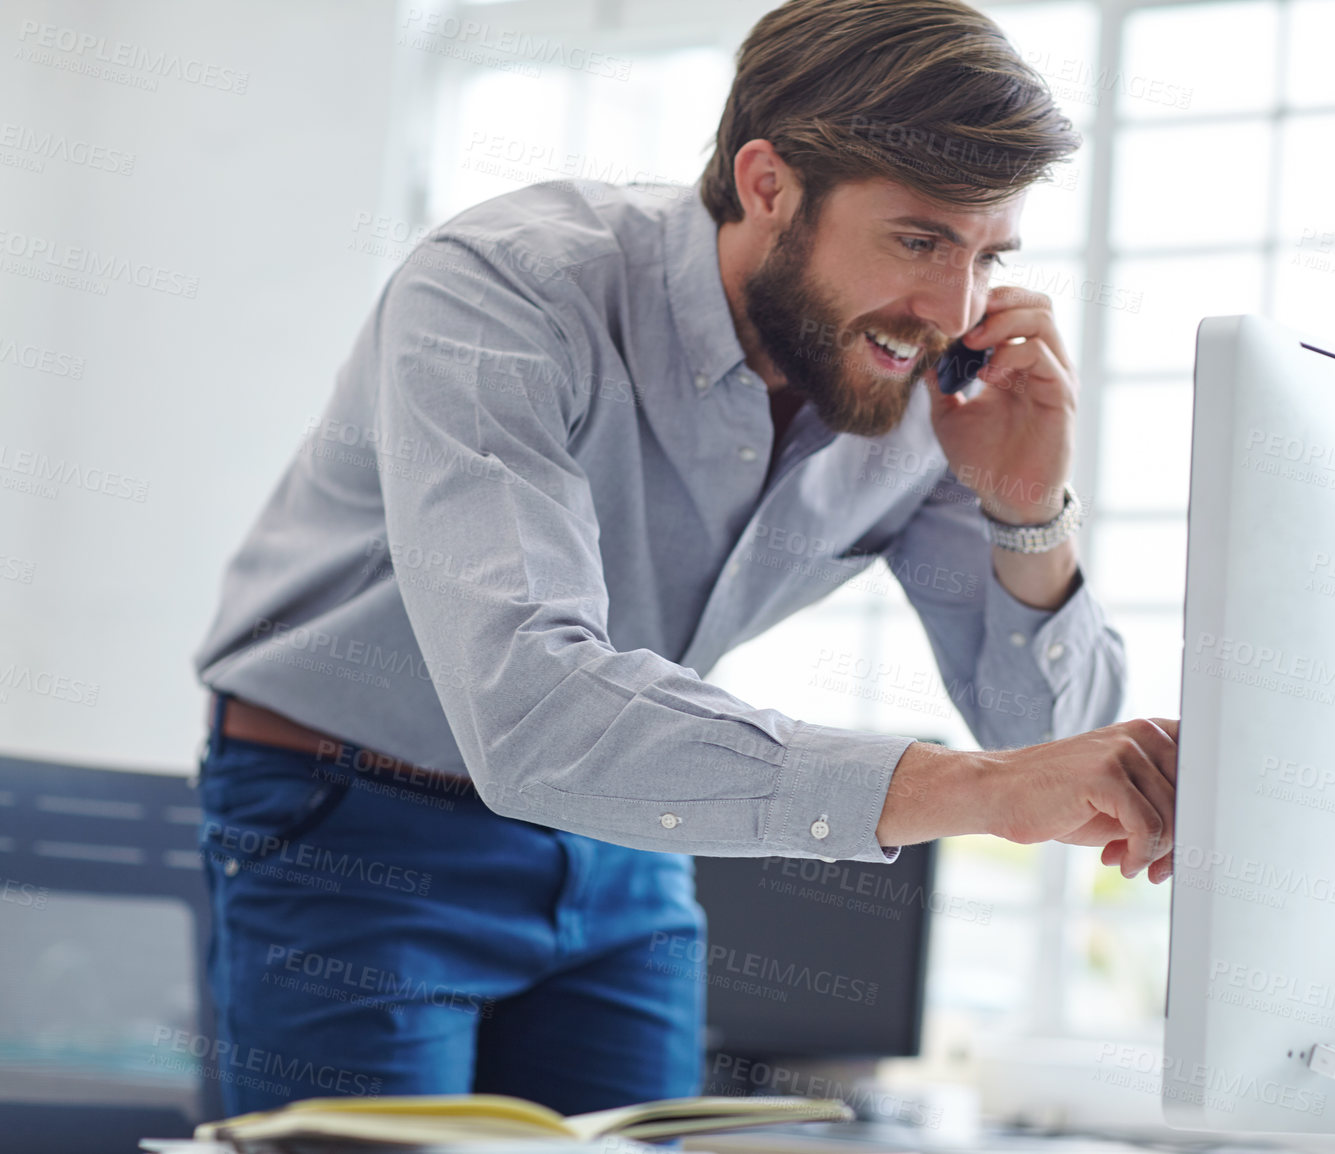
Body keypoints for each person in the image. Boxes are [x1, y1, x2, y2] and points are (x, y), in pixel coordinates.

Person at [190, 0, 1178, 1120]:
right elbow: (530, 710)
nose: (952, 307)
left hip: (619, 827)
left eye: (987, 252)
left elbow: (1046, 746)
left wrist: (1026, 506)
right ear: (768, 183)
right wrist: (976, 792)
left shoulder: (930, 380)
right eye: (917, 238)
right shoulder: (504, 289)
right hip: (354, 820)